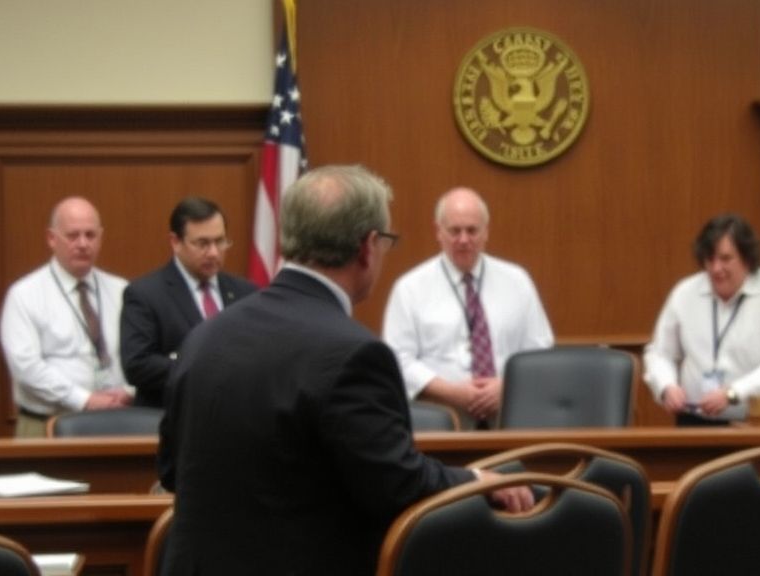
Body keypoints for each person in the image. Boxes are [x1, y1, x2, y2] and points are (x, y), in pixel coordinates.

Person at [157, 165, 533, 575]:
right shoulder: (354, 354)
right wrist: (478, 481)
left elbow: (172, 473)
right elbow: (397, 486)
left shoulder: (202, 338)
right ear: (368, 246)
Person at [382, 187, 553, 428]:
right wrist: (451, 392)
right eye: (455, 231)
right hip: (441, 419)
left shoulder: (517, 281)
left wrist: (507, 386)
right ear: (438, 231)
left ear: (486, 232)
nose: (463, 240)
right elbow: (398, 359)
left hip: (510, 417)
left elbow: (539, 349)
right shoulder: (410, 288)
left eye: (472, 230)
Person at [644, 214, 760, 425]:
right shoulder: (684, 293)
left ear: (747, 259)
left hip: (756, 422)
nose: (716, 268)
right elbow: (660, 353)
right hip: (694, 420)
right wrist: (666, 386)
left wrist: (733, 393)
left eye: (726, 259)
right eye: (710, 259)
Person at [0, 197, 132, 437]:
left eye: (90, 235)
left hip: (116, 421)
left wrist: (129, 391)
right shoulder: (24, 295)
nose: (83, 244)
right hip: (45, 424)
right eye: (73, 235)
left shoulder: (121, 290)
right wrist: (84, 399)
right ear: (52, 238)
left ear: (101, 238)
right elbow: (26, 367)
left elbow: (139, 352)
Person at [119, 197, 257, 407]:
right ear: (175, 242)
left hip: (233, 412)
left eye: (220, 241)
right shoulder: (144, 294)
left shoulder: (246, 292)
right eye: (202, 244)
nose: (213, 252)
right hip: (171, 415)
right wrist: (205, 367)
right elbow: (137, 365)